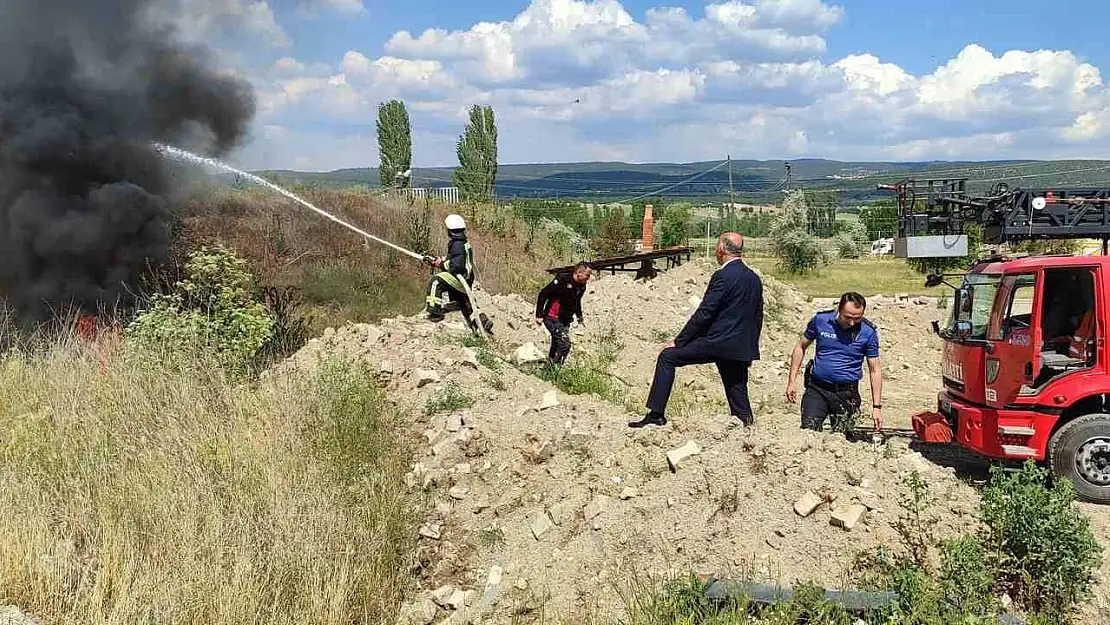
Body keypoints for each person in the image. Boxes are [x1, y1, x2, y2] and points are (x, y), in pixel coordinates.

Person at [630, 232, 763, 428]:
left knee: (668, 357)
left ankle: (656, 414)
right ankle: (746, 424)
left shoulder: (722, 276)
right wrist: (750, 349)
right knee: (737, 387)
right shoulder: (754, 278)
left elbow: (705, 313)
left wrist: (679, 341)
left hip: (717, 342)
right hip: (740, 347)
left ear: (721, 249)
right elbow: (757, 315)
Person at [785, 292, 883, 433]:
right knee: (808, 432)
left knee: (842, 437)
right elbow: (801, 347)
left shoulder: (868, 332)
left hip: (847, 394)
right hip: (817, 389)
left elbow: (875, 370)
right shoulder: (821, 320)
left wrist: (877, 407)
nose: (851, 323)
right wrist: (792, 381)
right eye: (848, 317)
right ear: (839, 309)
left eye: (857, 318)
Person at [424, 214, 493, 334]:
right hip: (466, 278)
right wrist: (439, 260)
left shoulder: (457, 245)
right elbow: (455, 259)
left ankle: (434, 311)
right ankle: (481, 321)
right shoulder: (462, 243)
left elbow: (456, 266)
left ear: (450, 231)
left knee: (435, 282)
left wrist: (440, 264)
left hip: (460, 277)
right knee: (465, 301)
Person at [534, 261, 592, 365]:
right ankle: (555, 370)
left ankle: (549, 368)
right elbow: (543, 294)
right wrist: (539, 315)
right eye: (587, 275)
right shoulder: (562, 280)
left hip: (565, 320)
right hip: (552, 317)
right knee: (565, 345)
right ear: (579, 273)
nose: (589, 278)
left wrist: (579, 316)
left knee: (557, 344)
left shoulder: (581, 286)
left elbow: (576, 302)